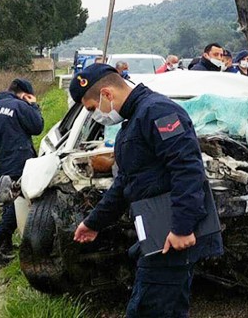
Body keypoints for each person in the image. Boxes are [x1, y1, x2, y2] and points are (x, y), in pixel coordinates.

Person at [69, 63, 223, 317]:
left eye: (92, 108)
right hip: (154, 234)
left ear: (106, 94)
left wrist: (182, 227)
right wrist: (94, 222)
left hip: (170, 236)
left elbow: (187, 170)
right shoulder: (133, 121)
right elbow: (125, 182)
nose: (96, 114)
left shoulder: (157, 111)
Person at [0, 78, 44, 262]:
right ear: (24, 94)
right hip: (20, 160)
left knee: (7, 199)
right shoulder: (20, 106)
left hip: (0, 161)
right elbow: (37, 127)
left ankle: (6, 245)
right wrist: (34, 106)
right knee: (18, 201)